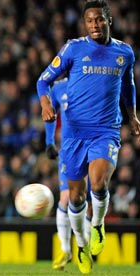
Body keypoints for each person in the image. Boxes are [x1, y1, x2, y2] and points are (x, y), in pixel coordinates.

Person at [37, 1, 140, 273]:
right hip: (73, 135)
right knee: (76, 196)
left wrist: (132, 115)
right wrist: (46, 104)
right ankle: (81, 246)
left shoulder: (124, 53)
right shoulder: (73, 48)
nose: (94, 25)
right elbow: (42, 80)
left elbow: (128, 85)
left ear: (109, 21)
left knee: (98, 182)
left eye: (99, 20)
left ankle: (98, 226)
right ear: (85, 23)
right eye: (90, 21)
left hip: (105, 130)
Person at [44, 78, 92, 270]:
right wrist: (49, 141)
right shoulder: (58, 88)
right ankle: (65, 249)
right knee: (65, 197)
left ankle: (83, 247)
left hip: (93, 147)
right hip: (68, 151)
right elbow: (50, 113)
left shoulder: (93, 79)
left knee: (84, 202)